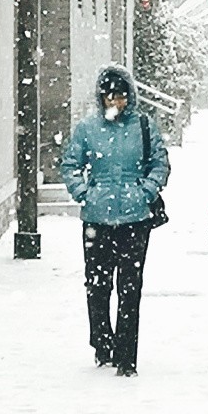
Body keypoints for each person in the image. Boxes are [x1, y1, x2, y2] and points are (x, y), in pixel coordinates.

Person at [60, 63, 169, 378]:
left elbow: (159, 163)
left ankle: (126, 354)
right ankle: (102, 341)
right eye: (109, 97)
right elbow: (71, 164)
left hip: (135, 218)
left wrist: (145, 191)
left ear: (129, 97)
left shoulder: (144, 127)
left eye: (120, 97)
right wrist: (85, 193)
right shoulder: (87, 129)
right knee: (97, 285)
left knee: (130, 287)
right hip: (97, 218)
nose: (115, 103)